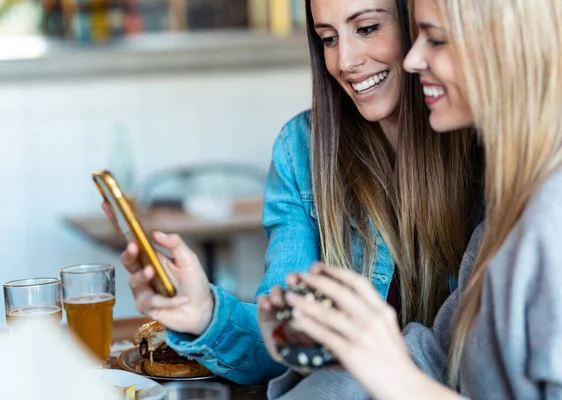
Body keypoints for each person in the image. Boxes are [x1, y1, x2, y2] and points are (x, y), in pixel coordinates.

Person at [106, 0, 481, 385]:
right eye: (328, 39)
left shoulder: (489, 153)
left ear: (418, 23)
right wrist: (204, 313)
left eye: (367, 28)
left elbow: (477, 361)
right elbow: (281, 342)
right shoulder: (301, 149)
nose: (345, 61)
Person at [273, 0, 562, 398]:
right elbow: (439, 354)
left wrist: (398, 379)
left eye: (437, 39)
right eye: (327, 38)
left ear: (510, 48)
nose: (413, 58)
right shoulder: (511, 208)